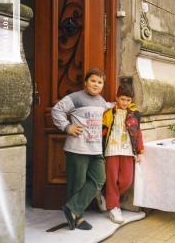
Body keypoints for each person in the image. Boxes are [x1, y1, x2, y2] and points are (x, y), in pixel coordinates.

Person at [51, 68, 111, 230]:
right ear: (85, 82)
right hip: (77, 148)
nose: (96, 84)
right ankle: (77, 218)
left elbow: (110, 107)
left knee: (99, 179)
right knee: (76, 184)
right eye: (93, 80)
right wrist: (67, 127)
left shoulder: (101, 101)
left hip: (95, 149)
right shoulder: (75, 98)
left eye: (100, 82)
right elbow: (56, 110)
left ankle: (72, 208)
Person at [102, 84, 144, 224]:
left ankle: (108, 198)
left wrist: (140, 151)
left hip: (127, 149)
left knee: (127, 179)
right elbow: (103, 131)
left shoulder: (134, 114)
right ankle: (114, 207)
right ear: (117, 98)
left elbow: (138, 134)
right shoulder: (108, 112)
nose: (125, 103)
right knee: (112, 179)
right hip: (111, 150)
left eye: (128, 100)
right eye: (123, 99)